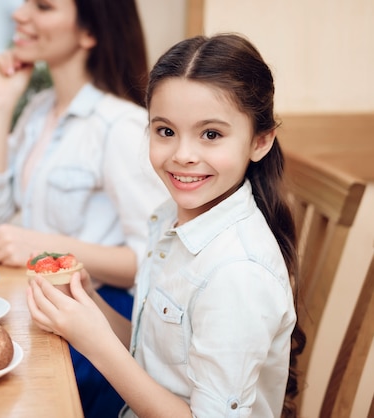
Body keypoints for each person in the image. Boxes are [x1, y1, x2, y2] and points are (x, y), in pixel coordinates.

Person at [26, 33, 306, 417]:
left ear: (260, 142)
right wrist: (91, 305)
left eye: (211, 134)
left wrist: (96, 345)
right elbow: (157, 356)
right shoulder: (167, 218)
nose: (183, 155)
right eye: (166, 131)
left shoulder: (238, 273)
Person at [0, 0, 166, 416]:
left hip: (99, 317)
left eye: (44, 6)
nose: (20, 15)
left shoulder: (122, 127)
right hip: (43, 305)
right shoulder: (38, 110)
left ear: (89, 32)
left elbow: (153, 260)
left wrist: (45, 246)